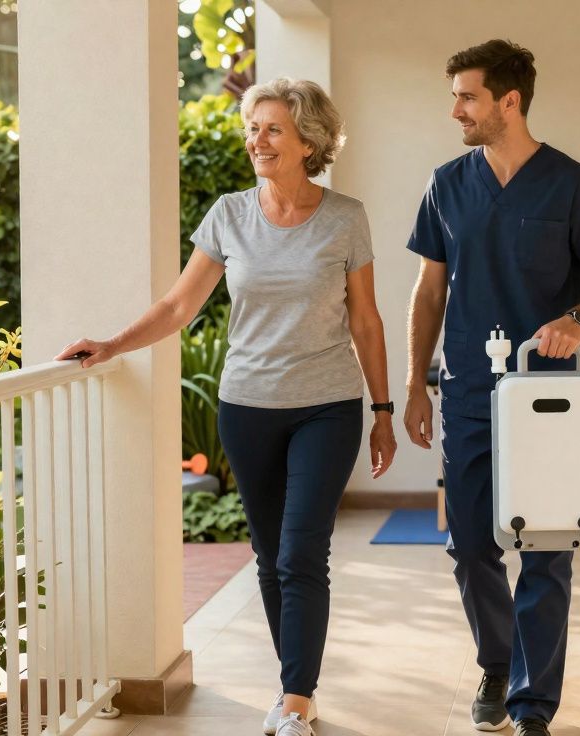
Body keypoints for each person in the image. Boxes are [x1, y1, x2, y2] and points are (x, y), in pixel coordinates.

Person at [56, 77, 396, 736]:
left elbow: (366, 320)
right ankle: (296, 683)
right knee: (270, 556)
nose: (256, 141)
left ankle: (295, 699)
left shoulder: (345, 217)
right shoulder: (229, 215)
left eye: (272, 129)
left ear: (309, 141)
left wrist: (382, 411)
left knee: (301, 553)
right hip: (248, 406)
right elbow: (178, 305)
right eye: (252, 129)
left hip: (327, 405)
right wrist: (112, 344)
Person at [402, 40, 580, 736]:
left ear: (510, 101)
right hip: (469, 389)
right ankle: (497, 664)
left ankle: (532, 704)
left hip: (547, 397)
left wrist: (576, 319)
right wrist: (414, 382)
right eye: (454, 98)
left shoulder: (572, 182)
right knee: (471, 545)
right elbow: (429, 291)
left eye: (467, 97)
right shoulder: (446, 183)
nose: (455, 111)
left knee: (547, 549)